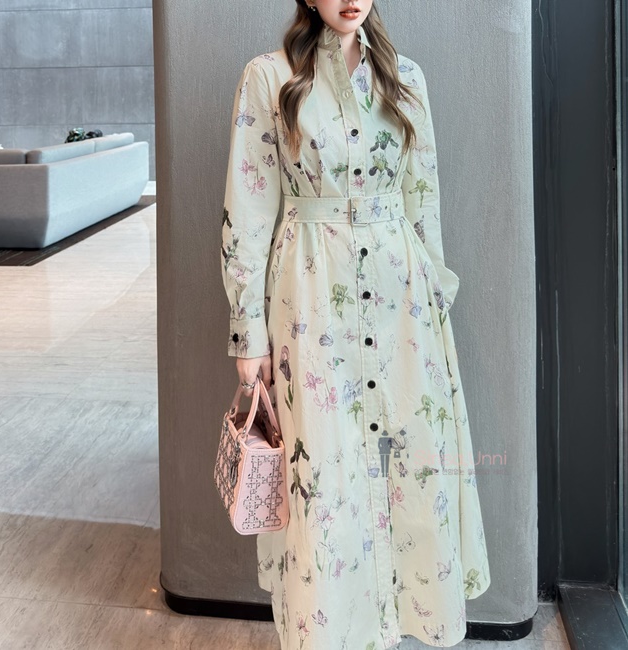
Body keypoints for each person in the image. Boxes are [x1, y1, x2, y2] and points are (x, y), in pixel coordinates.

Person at [220, 1, 491, 647]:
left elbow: (422, 194)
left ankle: (401, 625)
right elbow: (248, 207)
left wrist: (436, 292)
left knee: (410, 464)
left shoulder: (406, 77)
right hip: (308, 301)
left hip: (403, 303)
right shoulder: (268, 77)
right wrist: (248, 331)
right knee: (324, 474)